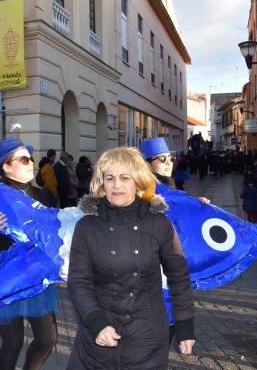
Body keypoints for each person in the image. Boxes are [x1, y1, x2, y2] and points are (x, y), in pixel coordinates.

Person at [67, 147, 194, 369]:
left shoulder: (159, 223)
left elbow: (179, 275)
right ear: (101, 183)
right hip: (98, 335)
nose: (117, 185)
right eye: (110, 178)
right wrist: (97, 323)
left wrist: (184, 325)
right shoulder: (86, 226)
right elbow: (79, 281)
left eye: (125, 178)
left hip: (147, 336)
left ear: (138, 182)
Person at [0, 137, 57, 370]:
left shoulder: (43, 195)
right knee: (13, 341)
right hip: (3, 272)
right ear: (6, 167)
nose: (31, 163)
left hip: (36, 271)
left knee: (48, 338)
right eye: (23, 159)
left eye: (31, 158)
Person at [140, 137, 210, 204]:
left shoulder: (167, 184)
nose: (169, 162)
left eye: (171, 157)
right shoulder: (144, 193)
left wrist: (197, 204)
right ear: (147, 164)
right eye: (162, 158)